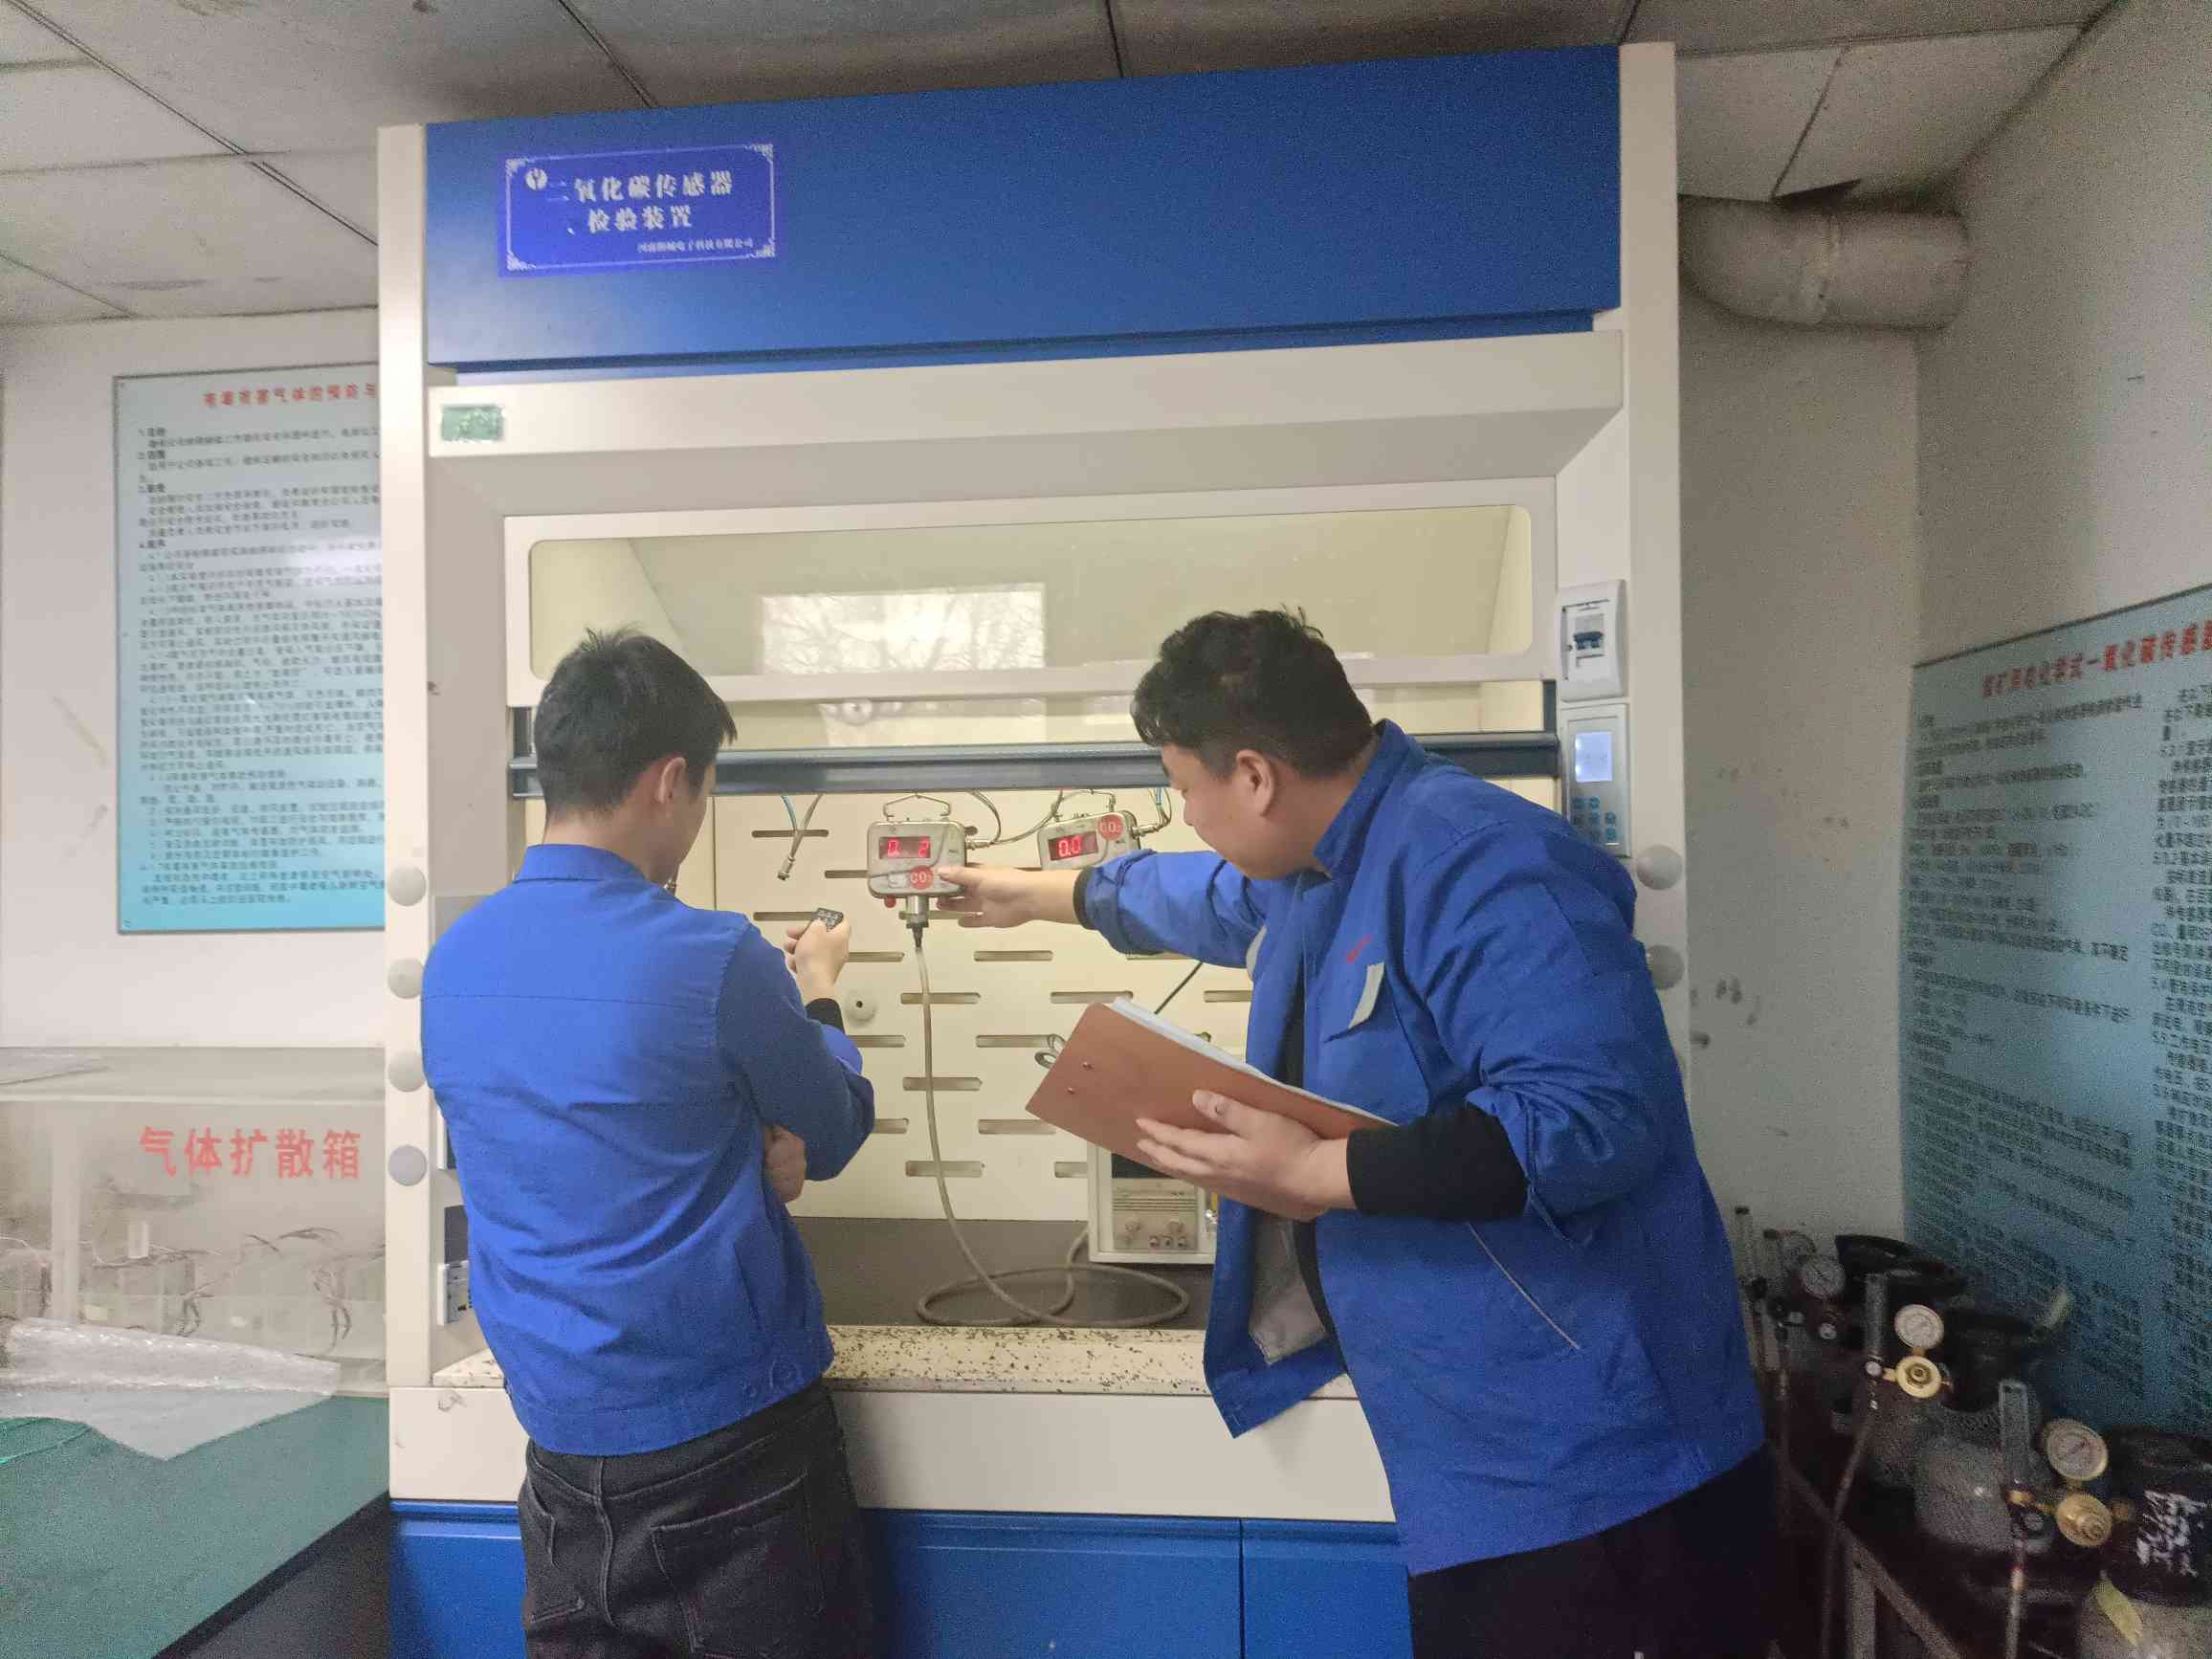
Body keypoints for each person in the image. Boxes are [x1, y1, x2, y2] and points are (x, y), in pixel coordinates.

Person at [940, 608, 1773, 1659]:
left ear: (1253, 777)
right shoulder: (1321, 864)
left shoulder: (1483, 862)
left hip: (1600, 1466)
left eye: (1183, 788)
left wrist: (1316, 1172)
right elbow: (1206, 896)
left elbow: (1596, 1116)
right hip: (1479, 1451)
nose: (1185, 815)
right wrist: (1038, 894)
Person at [423, 629, 877, 1659]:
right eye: (705, 789)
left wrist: (738, 1147)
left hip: (560, 1460)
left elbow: (579, 1139)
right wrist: (818, 995)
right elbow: (836, 1127)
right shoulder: (715, 956)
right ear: (671, 782)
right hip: (733, 1458)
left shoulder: (456, 959)